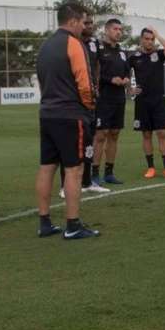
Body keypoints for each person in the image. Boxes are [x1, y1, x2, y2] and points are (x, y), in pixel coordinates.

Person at [35, 3, 100, 239]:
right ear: (73, 21)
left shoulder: (45, 45)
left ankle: (44, 222)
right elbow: (85, 83)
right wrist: (90, 106)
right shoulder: (74, 44)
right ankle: (72, 226)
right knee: (74, 169)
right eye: (83, 22)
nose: (85, 26)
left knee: (47, 166)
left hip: (48, 113)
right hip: (71, 115)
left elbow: (42, 81)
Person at [59, 12, 109, 196]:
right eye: (85, 22)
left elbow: (96, 66)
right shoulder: (72, 42)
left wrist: (95, 84)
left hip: (91, 98)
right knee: (70, 142)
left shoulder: (95, 43)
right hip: (74, 100)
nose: (89, 26)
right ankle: (65, 185)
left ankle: (88, 182)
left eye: (91, 23)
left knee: (90, 139)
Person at [129, 27, 165, 179]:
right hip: (142, 101)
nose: (149, 42)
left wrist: (158, 35)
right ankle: (151, 168)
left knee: (162, 133)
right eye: (147, 39)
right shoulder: (134, 57)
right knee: (146, 134)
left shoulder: (159, 54)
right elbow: (123, 73)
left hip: (158, 100)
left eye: (151, 39)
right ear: (141, 39)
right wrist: (129, 88)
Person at [94, 18, 130, 185]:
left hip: (119, 98)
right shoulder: (99, 49)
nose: (118, 32)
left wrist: (126, 80)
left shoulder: (122, 52)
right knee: (101, 135)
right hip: (103, 98)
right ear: (107, 30)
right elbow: (94, 73)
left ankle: (109, 172)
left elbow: (127, 72)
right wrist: (110, 80)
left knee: (115, 134)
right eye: (115, 29)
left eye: (120, 29)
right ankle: (94, 174)